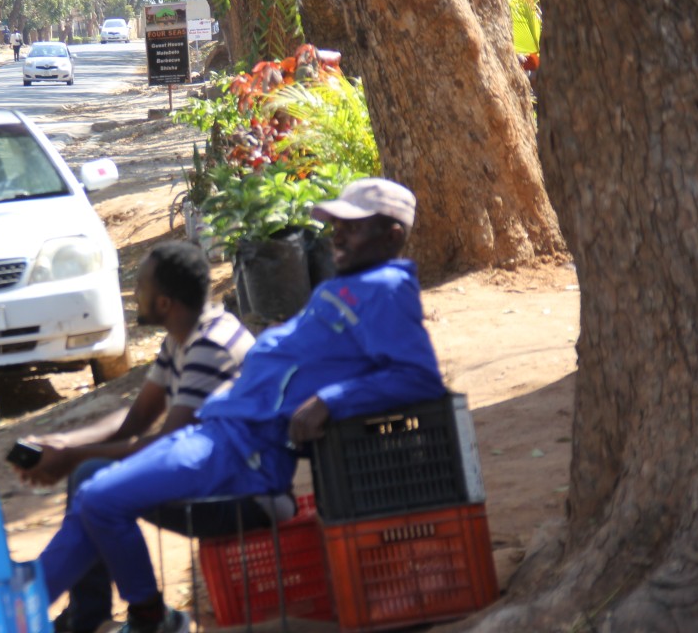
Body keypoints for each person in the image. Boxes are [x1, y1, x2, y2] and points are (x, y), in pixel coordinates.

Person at [36, 178, 447, 633]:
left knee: (97, 497)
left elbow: (418, 376)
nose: (337, 235)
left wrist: (332, 399)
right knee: (93, 494)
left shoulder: (386, 287)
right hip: (221, 434)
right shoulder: (344, 287)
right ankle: (17, 612)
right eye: (335, 225)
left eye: (352, 227)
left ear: (391, 236)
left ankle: (150, 618)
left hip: (244, 455)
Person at [17, 241, 256, 633]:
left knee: (94, 484)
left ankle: (145, 616)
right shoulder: (183, 336)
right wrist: (65, 445)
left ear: (164, 303)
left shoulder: (209, 346)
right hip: (207, 472)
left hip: (238, 490)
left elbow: (167, 444)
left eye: (140, 284)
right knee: (89, 476)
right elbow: (137, 418)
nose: (133, 290)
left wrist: (72, 457)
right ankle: (79, 613)